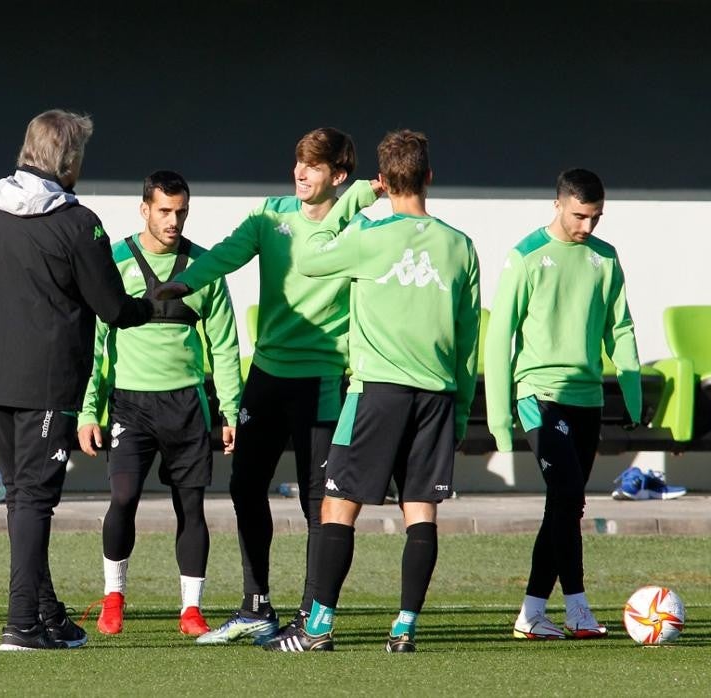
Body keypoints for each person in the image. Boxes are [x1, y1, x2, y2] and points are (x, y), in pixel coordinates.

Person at [156, 128, 381, 644]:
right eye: (298, 162)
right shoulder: (270, 214)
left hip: (322, 378)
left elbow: (374, 190)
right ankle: (256, 605)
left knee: (317, 502)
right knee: (243, 487)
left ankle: (310, 615)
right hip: (267, 374)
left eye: (314, 166)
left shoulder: (357, 220)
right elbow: (228, 254)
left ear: (337, 176)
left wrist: (381, 185)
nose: (300, 173)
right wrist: (185, 283)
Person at [0, 109, 154, 651]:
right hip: (49, 383)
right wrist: (153, 306)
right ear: (68, 158)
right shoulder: (75, 221)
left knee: (22, 497)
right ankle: (21, 623)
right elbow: (112, 307)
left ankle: (45, 611)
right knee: (34, 499)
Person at [266, 129, 480, 653]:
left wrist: (357, 211)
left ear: (382, 181)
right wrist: (461, 410)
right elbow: (470, 342)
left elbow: (310, 256)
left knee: (338, 506)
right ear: (429, 177)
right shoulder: (460, 246)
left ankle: (317, 627)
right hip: (436, 397)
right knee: (421, 511)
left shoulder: (368, 234)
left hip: (376, 393)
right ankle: (404, 627)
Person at [79, 170, 241, 638]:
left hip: (187, 407)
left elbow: (225, 346)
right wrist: (89, 410)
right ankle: (113, 597)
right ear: (144, 209)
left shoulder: (205, 268)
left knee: (191, 507)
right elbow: (94, 343)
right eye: (165, 210)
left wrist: (231, 410)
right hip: (130, 405)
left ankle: (190, 610)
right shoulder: (116, 262)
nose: (174, 221)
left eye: (181, 211)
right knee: (123, 498)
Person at [486, 169, 639, 640]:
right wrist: (498, 416)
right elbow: (499, 335)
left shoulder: (605, 258)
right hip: (539, 396)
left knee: (564, 505)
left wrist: (631, 396)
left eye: (595, 217)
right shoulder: (526, 256)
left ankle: (532, 612)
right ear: (557, 205)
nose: (587, 227)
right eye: (579, 216)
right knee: (568, 496)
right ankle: (577, 608)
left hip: (586, 400)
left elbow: (621, 328)